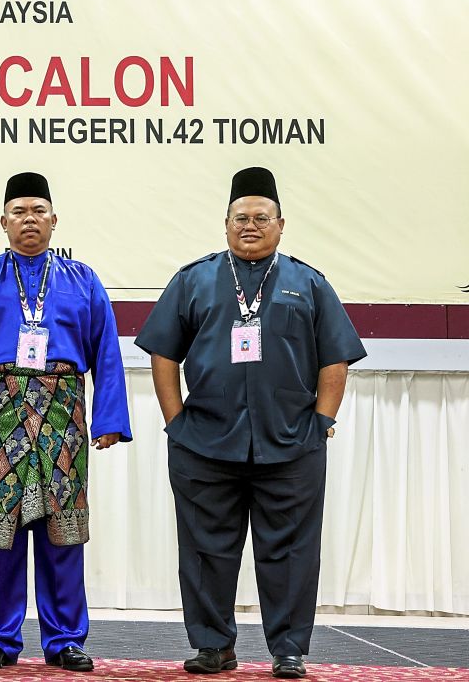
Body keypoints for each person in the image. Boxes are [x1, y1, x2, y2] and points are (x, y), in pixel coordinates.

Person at [134, 166, 366, 679]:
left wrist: (323, 418)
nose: (250, 226)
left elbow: (336, 358)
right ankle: (213, 646)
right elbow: (162, 353)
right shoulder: (194, 279)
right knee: (204, 550)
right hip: (205, 444)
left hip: (291, 446)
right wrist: (176, 421)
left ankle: (288, 649)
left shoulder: (309, 283)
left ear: (282, 225)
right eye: (241, 217)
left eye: (262, 218)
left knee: (290, 553)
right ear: (225, 223)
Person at [0, 172, 131, 672]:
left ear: (54, 220)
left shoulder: (82, 279)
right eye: (18, 212)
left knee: (62, 531)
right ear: (3, 222)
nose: (29, 221)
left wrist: (110, 418)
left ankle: (65, 638)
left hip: (63, 410)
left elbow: (106, 353)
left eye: (38, 211)